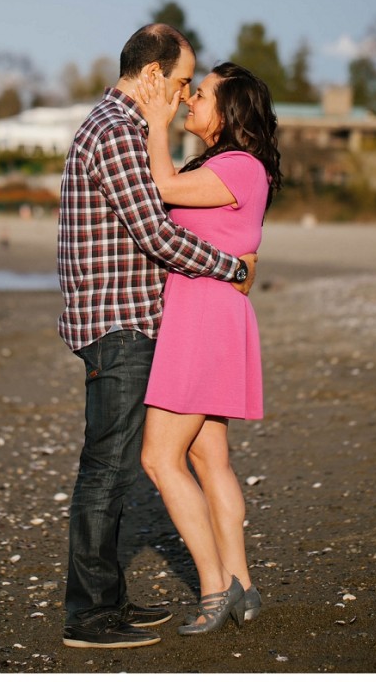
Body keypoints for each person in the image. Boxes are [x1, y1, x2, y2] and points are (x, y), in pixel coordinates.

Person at [57, 25, 258, 650]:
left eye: (191, 88)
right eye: (176, 82)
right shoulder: (119, 132)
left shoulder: (119, 128)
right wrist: (235, 268)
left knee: (126, 466)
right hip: (119, 322)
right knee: (111, 468)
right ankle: (92, 614)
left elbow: (166, 216)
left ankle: (111, 602)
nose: (182, 94)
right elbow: (156, 232)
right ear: (150, 76)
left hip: (141, 319)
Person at [134, 61, 282, 636]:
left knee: (158, 458)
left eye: (201, 94)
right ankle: (241, 585)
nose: (190, 99)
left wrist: (155, 118)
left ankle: (214, 589)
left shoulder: (240, 166)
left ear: (231, 111)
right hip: (210, 316)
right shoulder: (233, 168)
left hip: (203, 319)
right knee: (206, 458)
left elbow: (163, 187)